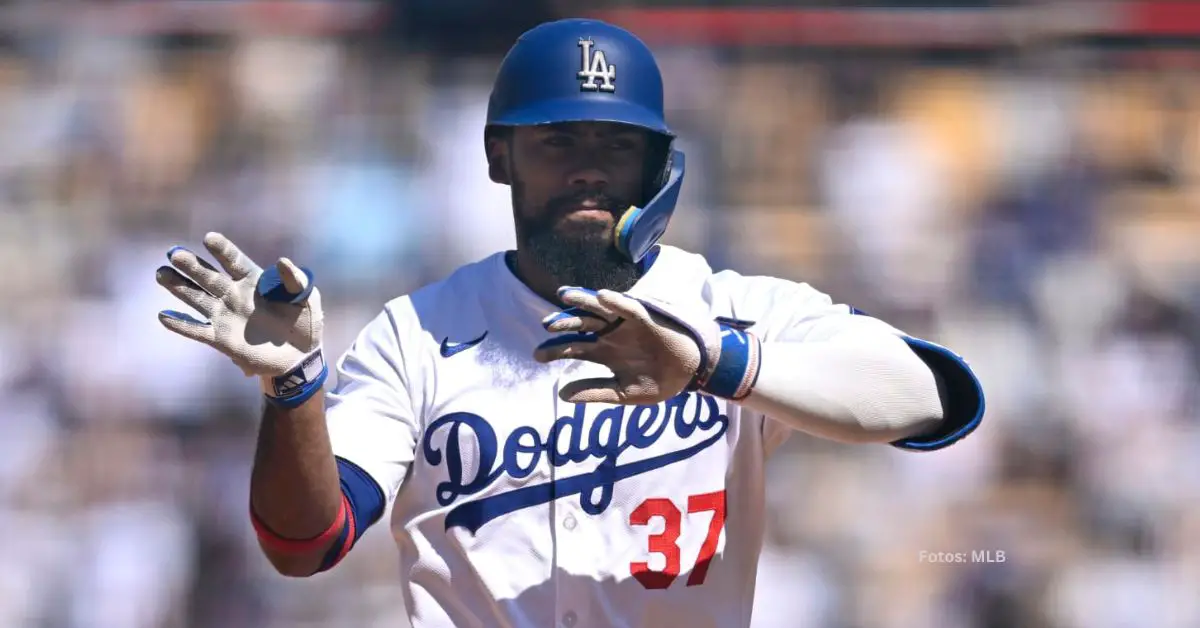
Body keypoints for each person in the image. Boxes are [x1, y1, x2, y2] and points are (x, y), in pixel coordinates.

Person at [153, 18, 985, 628]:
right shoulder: (417, 333)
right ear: (497, 157)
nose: (588, 168)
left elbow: (933, 398)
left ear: (660, 165)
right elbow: (307, 543)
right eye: (558, 141)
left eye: (615, 145)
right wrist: (293, 389)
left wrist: (715, 365)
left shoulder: (734, 311)